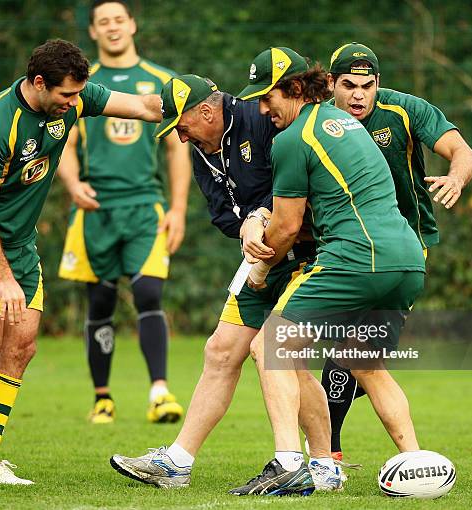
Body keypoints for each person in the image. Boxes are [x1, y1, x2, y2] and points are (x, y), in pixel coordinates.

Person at [0, 38, 163, 486]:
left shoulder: (71, 99)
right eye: (66, 95)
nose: (74, 103)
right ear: (39, 83)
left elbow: (146, 106)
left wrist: (204, 102)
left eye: (78, 95)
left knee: (21, 347)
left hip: (21, 244)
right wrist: (4, 279)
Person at [109, 73, 339, 493]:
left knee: (282, 356)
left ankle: (320, 465)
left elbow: (299, 185)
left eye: (182, 126)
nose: (180, 138)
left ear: (207, 111)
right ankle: (177, 463)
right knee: (219, 350)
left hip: (303, 256)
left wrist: (260, 216)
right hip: (257, 263)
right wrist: (247, 233)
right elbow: (222, 216)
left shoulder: (262, 118)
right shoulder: (201, 150)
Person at [229, 46, 426, 495]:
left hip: (358, 257)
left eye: (267, 97)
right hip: (407, 257)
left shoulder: (293, 139)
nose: (262, 109)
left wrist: (259, 265)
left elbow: (286, 225)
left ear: (295, 89)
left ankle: (287, 463)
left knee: (270, 345)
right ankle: (416, 464)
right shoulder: (350, 125)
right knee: (366, 364)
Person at [321, 42, 472, 463]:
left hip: (405, 247)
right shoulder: (318, 119)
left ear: (378, 85)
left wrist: (457, 179)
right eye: (348, 85)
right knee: (349, 350)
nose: (358, 95)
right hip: (344, 247)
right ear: (331, 83)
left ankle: (328, 453)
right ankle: (329, 454)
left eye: (367, 85)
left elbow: (462, 151)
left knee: (360, 354)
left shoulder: (405, 111)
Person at [58, 0, 191, 425]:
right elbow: (64, 142)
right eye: (103, 22)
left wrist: (180, 209)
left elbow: (178, 148)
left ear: (132, 24)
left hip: (144, 208)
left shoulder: (160, 82)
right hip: (97, 209)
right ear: (93, 32)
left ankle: (160, 393)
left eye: (119, 19)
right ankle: (103, 398)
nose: (112, 27)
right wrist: (73, 183)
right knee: (100, 301)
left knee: (149, 292)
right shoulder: (80, 83)